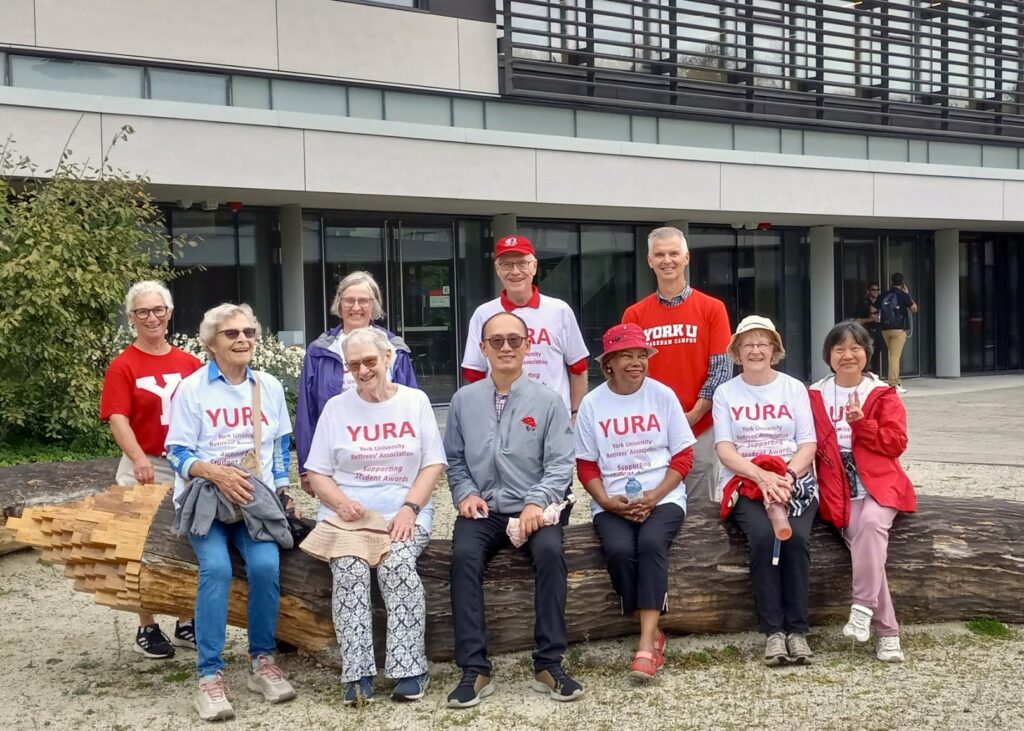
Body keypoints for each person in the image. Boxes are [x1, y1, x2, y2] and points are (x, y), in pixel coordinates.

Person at [165, 303, 297, 721]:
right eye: (231, 334)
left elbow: (278, 446)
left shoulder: (270, 386)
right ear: (211, 343)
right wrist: (215, 473)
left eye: (249, 333)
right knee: (217, 569)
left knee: (264, 566)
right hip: (206, 496)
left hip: (253, 497)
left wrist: (281, 489)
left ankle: (262, 660)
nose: (242, 340)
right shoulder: (191, 389)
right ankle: (209, 674)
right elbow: (177, 452)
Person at [444, 311, 582, 708]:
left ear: (527, 346)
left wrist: (537, 502)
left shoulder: (548, 401)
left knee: (552, 553)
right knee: (464, 558)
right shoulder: (463, 400)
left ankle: (549, 663)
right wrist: (465, 494)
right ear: (483, 348)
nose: (506, 347)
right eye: (497, 341)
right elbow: (454, 459)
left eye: (514, 340)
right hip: (484, 509)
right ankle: (475, 669)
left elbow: (560, 464)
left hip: (534, 507)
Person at [304, 327, 447, 705]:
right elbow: (316, 471)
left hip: (404, 510)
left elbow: (433, 463)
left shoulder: (415, 401)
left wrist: (409, 509)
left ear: (388, 358)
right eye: (354, 365)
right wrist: (339, 503)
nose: (363, 370)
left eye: (370, 361)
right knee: (349, 570)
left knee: (396, 565)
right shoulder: (337, 408)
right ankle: (358, 672)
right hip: (350, 516)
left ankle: (409, 666)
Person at [574, 323, 696, 680]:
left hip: (664, 495)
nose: (636, 362)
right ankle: (651, 621)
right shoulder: (593, 404)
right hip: (612, 499)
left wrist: (655, 496)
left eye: (641, 355)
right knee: (617, 550)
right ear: (608, 363)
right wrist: (606, 501)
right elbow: (585, 464)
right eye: (626, 355)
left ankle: (647, 643)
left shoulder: (662, 395)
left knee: (652, 542)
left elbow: (684, 456)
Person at [100, 280, 202, 659]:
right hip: (145, 463)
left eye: (158, 310)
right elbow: (117, 417)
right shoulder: (123, 365)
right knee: (139, 544)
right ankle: (146, 624)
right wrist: (140, 458)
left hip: (185, 464)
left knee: (191, 539)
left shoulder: (189, 364)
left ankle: (186, 619)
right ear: (132, 318)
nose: (152, 317)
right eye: (142, 311)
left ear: (169, 313)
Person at [712, 316, 818, 667]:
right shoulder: (726, 393)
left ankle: (798, 631)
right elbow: (725, 449)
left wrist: (785, 476)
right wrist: (761, 477)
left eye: (763, 343)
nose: (756, 350)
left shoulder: (793, 388)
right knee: (760, 537)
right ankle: (773, 631)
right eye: (748, 344)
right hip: (746, 480)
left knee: (796, 540)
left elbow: (808, 444)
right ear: (737, 352)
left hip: (793, 480)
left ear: (775, 350)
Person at [809, 321, 917, 663]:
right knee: (864, 545)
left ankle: (861, 608)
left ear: (867, 354)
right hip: (837, 487)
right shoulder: (813, 395)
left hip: (880, 482)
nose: (847, 355)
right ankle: (888, 633)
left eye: (855, 348)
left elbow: (896, 444)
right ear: (828, 356)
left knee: (871, 523)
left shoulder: (883, 394)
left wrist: (861, 424)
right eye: (839, 349)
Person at [622, 226, 732, 502]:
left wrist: (693, 415)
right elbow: (628, 373)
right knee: (653, 499)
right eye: (659, 254)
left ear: (686, 258)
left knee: (700, 512)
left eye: (673, 253)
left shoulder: (712, 309)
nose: (666, 260)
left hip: (700, 426)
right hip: (651, 427)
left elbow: (721, 369)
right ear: (649, 261)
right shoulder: (634, 314)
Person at [296, 271, 417, 496]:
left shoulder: (395, 349)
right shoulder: (320, 350)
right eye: (349, 300)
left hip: (388, 450)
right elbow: (307, 411)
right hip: (338, 451)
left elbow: (412, 407)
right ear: (339, 304)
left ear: (374, 305)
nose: (356, 307)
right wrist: (306, 467)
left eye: (364, 301)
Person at [461, 234, 589, 418]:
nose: (515, 271)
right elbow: (474, 374)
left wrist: (576, 415)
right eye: (506, 264)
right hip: (501, 418)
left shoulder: (559, 311)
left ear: (534, 266)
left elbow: (578, 367)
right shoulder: (483, 314)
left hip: (553, 418)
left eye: (522, 263)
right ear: (497, 269)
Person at [878, 273, 918, 394]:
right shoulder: (903, 295)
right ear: (902, 283)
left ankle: (895, 381)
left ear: (891, 282)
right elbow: (914, 308)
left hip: (885, 329)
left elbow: (873, 309)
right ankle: (894, 383)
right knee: (895, 356)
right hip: (899, 329)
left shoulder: (884, 295)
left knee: (892, 355)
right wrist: (907, 294)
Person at [852, 282, 884, 375]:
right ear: (868, 291)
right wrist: (869, 319)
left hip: (879, 330)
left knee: (877, 352)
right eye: (873, 290)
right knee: (867, 352)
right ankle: (865, 373)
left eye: (877, 290)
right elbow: (856, 320)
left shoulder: (882, 302)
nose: (876, 292)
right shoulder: (863, 303)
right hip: (866, 331)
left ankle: (876, 374)